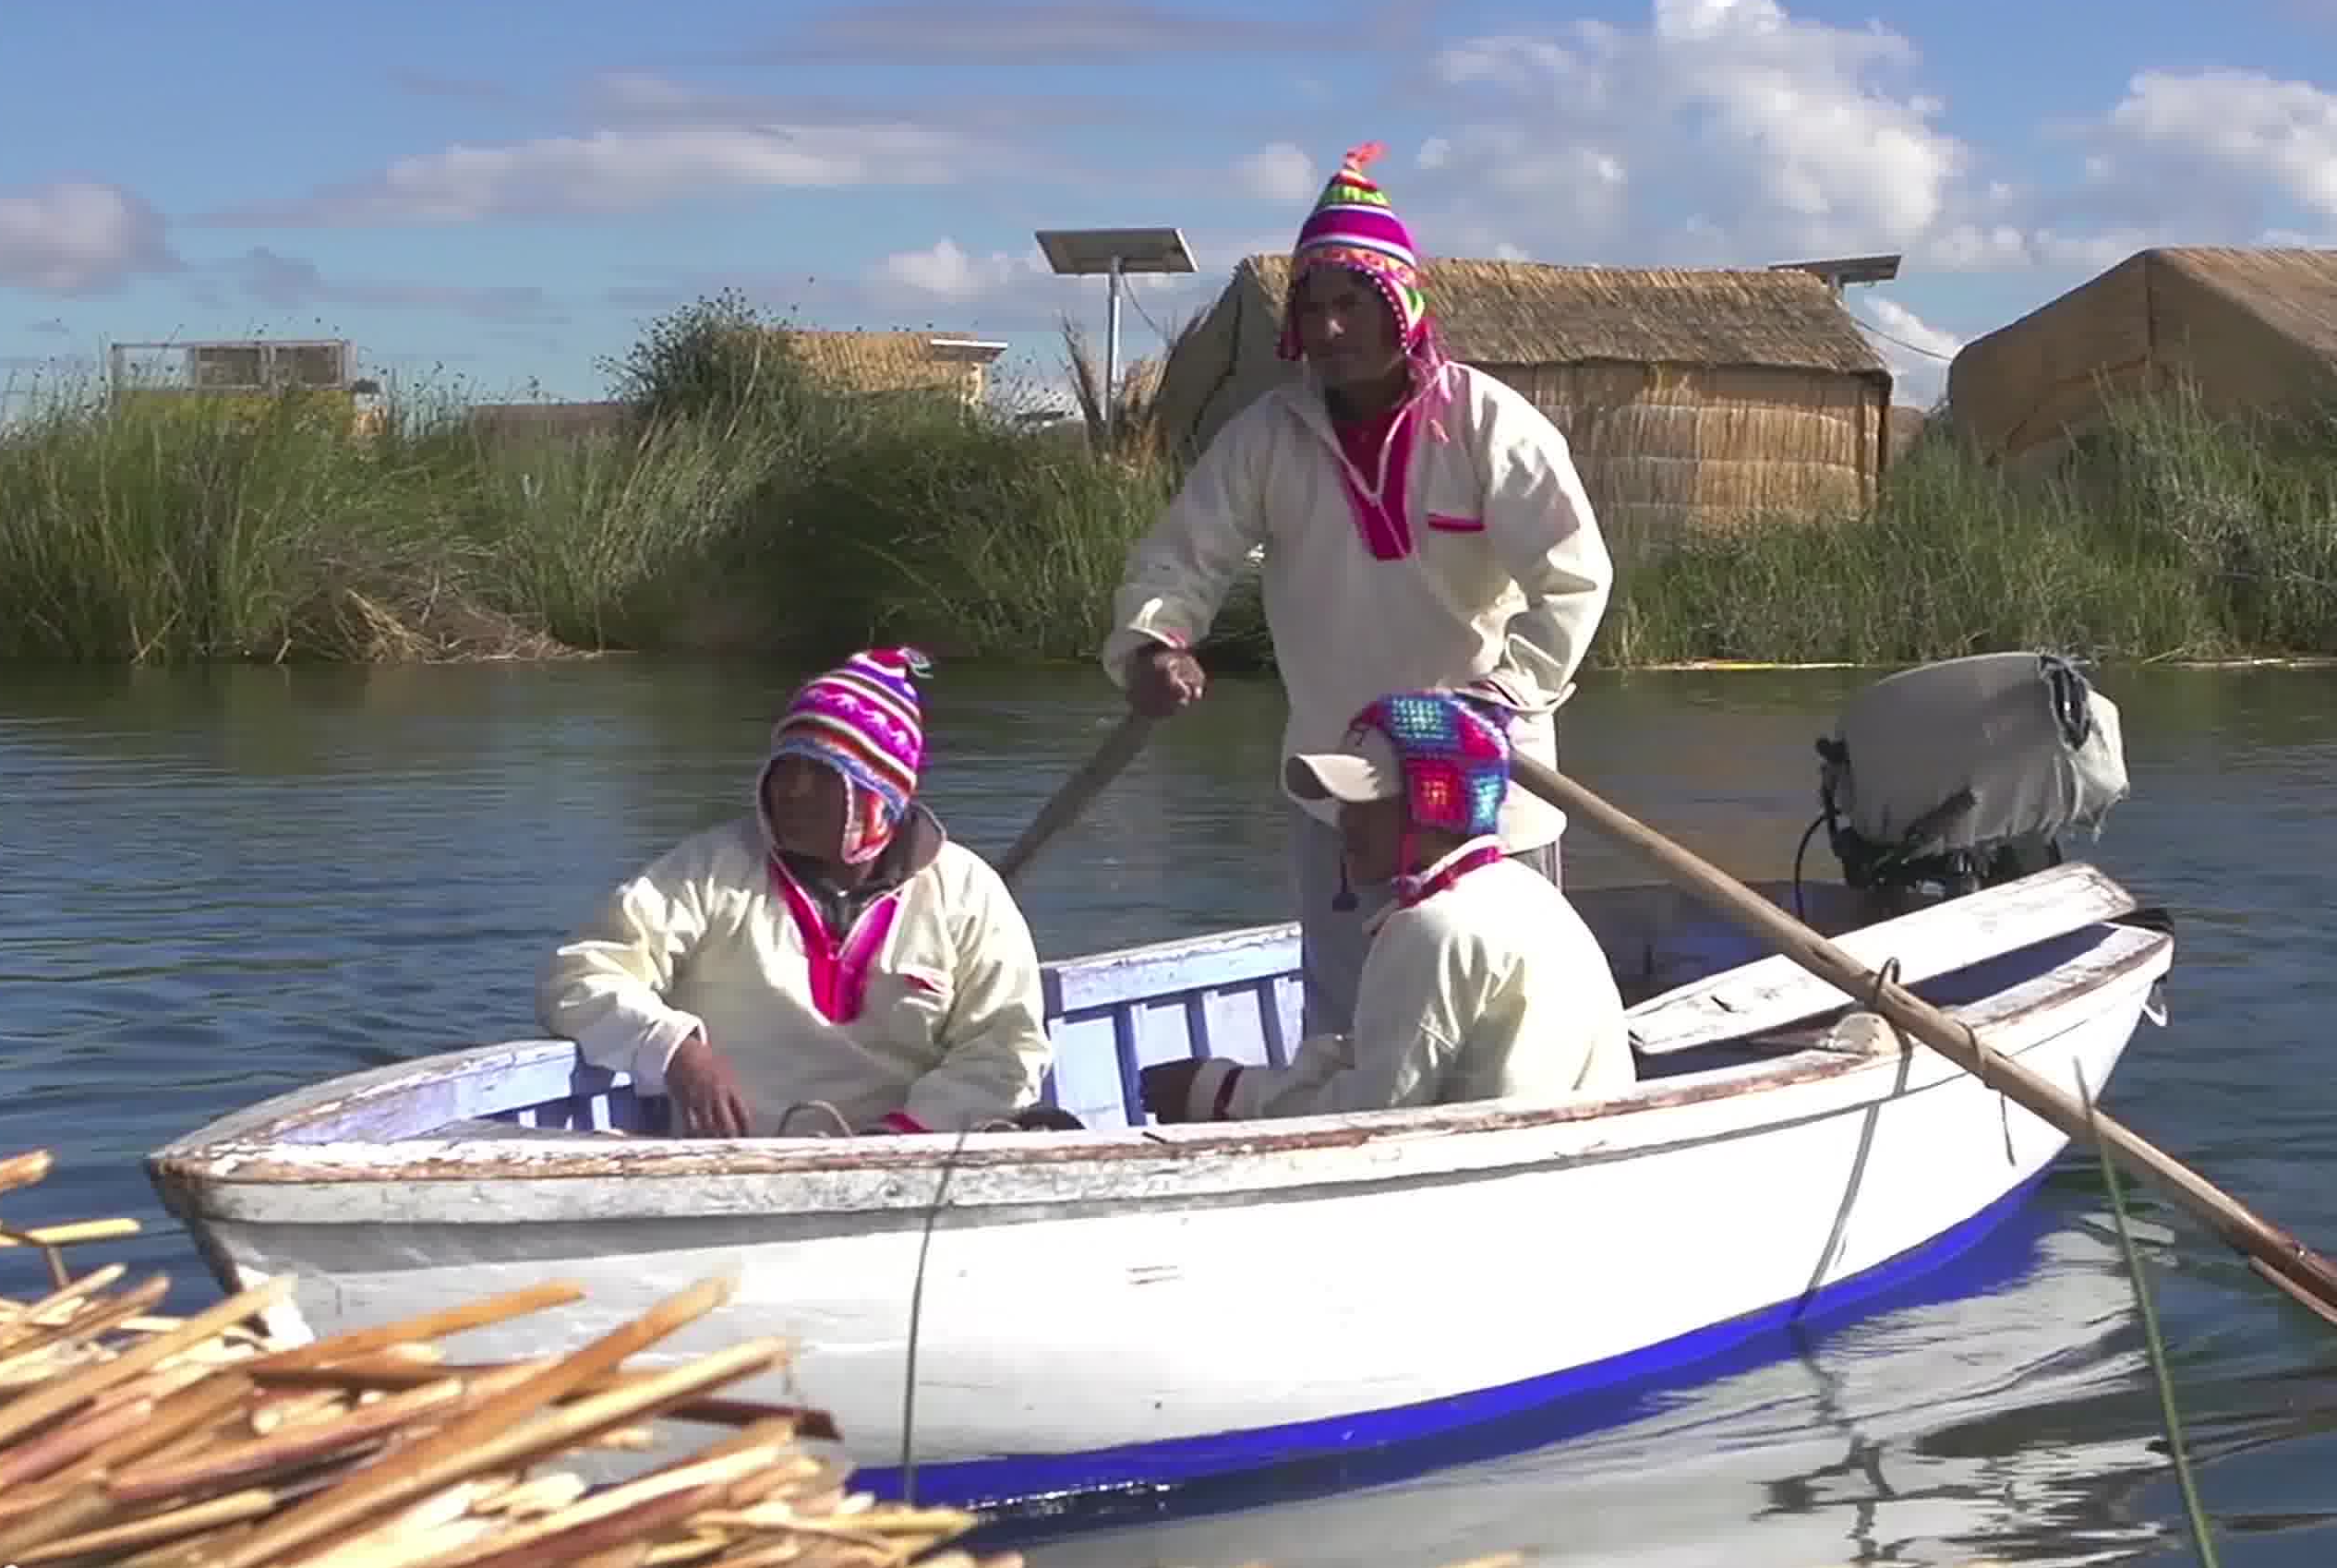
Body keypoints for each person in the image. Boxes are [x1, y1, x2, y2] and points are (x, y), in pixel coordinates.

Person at [1102, 142, 1612, 1038]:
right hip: (1342, 789)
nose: (1332, 329)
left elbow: (1574, 576)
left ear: (1401, 308)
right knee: (1350, 1028)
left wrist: (1504, 695)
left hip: (1488, 782)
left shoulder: (1489, 426)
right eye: (1315, 307)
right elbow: (1181, 558)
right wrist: (1154, 642)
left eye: (1353, 305)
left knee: (1509, 1020)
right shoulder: (1269, 437)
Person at [537, 647, 1056, 1139]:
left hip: (906, 1164)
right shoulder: (709, 869)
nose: (793, 790)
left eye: (824, 774)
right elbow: (581, 973)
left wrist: (898, 1140)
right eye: (786, 765)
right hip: (731, 1167)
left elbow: (1005, 1048)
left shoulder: (966, 891)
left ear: (878, 794)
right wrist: (672, 1048)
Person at [1144, 691, 1635, 1124]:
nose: (1343, 822)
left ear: (1432, 810)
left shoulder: (1434, 929)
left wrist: (1219, 1092)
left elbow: (1374, 1117)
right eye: (1342, 802)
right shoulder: (1525, 892)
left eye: (1365, 803)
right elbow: (1386, 1063)